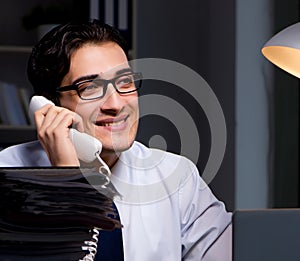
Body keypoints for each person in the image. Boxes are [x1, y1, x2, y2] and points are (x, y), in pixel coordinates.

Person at [0, 20, 231, 260]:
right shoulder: (7, 175)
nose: (116, 104)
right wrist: (67, 182)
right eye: (89, 88)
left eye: (125, 82)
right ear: (51, 105)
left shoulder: (177, 178)